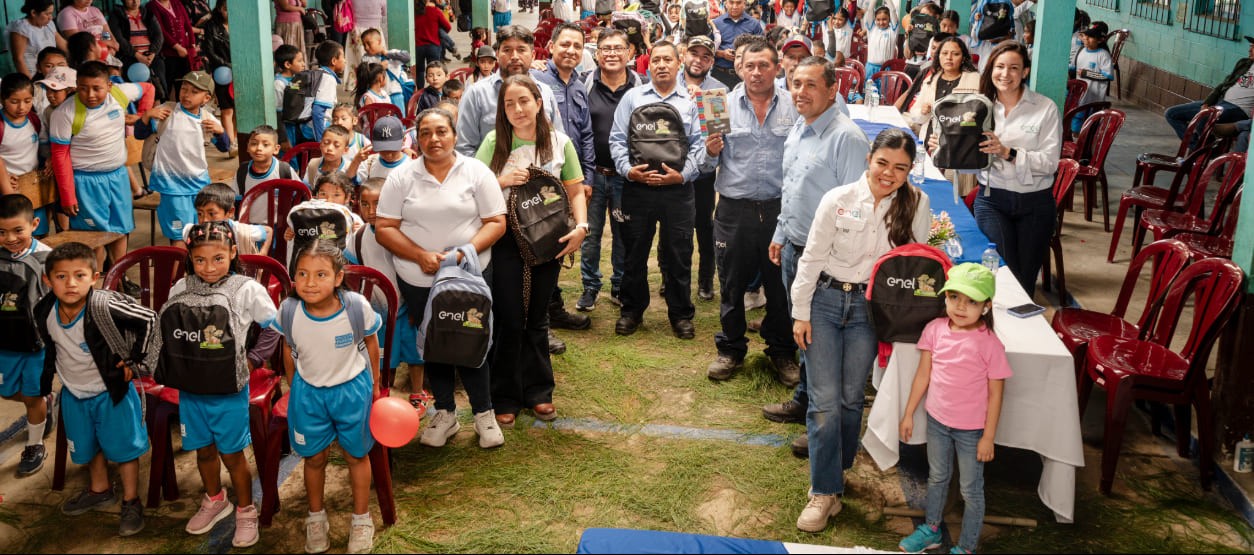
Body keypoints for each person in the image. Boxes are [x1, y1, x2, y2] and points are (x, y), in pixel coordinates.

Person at [791, 127, 930, 532]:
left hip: (872, 311)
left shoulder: (917, 203)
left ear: (910, 170)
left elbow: (914, 264)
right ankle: (824, 491)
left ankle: (838, 468)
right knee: (824, 402)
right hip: (826, 303)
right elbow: (812, 257)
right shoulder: (838, 199)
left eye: (900, 168)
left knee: (852, 399)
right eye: (883, 162)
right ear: (869, 156)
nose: (889, 173)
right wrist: (801, 311)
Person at [374, 107, 508, 437]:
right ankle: (445, 412)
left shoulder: (476, 172)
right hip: (419, 278)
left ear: (455, 135)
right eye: (425, 133)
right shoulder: (402, 176)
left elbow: (496, 222)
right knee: (432, 343)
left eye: (441, 132)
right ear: (416, 140)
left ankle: (483, 412)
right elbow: (384, 227)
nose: (434, 139)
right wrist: (419, 255)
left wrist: (467, 251)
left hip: (470, 275)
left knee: (472, 338)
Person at [143, 221, 276, 548]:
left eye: (218, 258)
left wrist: (254, 360)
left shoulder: (246, 289)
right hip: (190, 390)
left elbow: (274, 326)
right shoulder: (180, 288)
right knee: (203, 451)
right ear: (189, 257)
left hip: (228, 391)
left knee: (232, 455)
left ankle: (246, 510)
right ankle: (216, 499)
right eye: (200, 260)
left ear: (233, 253)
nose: (209, 267)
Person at [761, 57, 868, 458]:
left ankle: (823, 424)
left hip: (825, 260)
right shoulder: (800, 129)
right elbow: (792, 188)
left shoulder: (847, 139)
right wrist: (780, 232)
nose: (800, 92)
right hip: (794, 247)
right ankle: (805, 402)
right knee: (802, 332)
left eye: (810, 85)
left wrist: (826, 257)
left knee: (822, 343)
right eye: (795, 84)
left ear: (833, 89)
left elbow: (858, 211)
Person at [475, 75, 588, 428]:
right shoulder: (494, 142)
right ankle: (505, 395)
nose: (518, 109)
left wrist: (581, 228)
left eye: (524, 101)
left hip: (549, 239)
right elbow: (472, 188)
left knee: (538, 318)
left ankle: (540, 391)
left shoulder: (559, 142)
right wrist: (502, 180)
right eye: (509, 104)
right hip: (506, 239)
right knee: (509, 318)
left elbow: (576, 190)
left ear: (539, 102)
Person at [34, 241, 154, 537]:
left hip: (111, 391)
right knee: (88, 446)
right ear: (47, 280)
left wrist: (133, 359)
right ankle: (100, 489)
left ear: (95, 277)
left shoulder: (103, 304)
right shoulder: (44, 310)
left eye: (79, 275)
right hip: (74, 392)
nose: (70, 284)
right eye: (61, 277)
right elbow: (51, 348)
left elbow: (149, 319)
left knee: (125, 450)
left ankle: (130, 500)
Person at [700, 40, 800, 384]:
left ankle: (782, 351)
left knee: (781, 285)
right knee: (731, 283)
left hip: (780, 209)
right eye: (750, 66)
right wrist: (711, 151)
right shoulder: (718, 104)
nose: (756, 72)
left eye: (764, 65)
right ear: (740, 68)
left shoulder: (795, 104)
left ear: (778, 67)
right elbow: (704, 162)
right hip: (734, 210)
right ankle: (730, 348)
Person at [271, 240, 381, 554]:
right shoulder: (290, 309)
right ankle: (315, 517)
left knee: (356, 456)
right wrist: (296, 388)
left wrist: (373, 386)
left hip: (352, 391)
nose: (309, 282)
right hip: (308, 395)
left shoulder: (355, 306)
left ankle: (361, 519)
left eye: (320, 275)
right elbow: (288, 351)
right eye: (302, 274)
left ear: (337, 277)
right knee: (314, 458)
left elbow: (371, 344)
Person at [897, 263, 1010, 555]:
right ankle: (931, 529)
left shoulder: (990, 345)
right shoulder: (935, 330)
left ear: (986, 307)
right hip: (937, 422)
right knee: (937, 477)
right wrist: (909, 412)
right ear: (945, 298)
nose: (961, 307)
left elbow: (996, 395)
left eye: (971, 301)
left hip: (972, 431)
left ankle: (967, 547)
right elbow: (923, 375)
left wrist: (988, 436)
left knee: (971, 490)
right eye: (954, 297)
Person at [935, 41, 1059, 296]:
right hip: (993, 200)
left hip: (1035, 204)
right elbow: (968, 163)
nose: (1005, 74)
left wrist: (1008, 152)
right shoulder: (977, 107)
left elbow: (1050, 163)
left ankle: (1019, 331)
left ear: (1025, 72)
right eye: (1000, 66)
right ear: (990, 69)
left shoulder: (1045, 108)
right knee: (1001, 274)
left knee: (1024, 281)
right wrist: (949, 146)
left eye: (1014, 68)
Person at [609, 40, 706, 339]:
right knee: (634, 253)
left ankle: (680, 314)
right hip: (638, 189)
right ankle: (632, 310)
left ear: (679, 64)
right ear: (648, 65)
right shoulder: (632, 98)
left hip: (678, 191)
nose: (662, 65)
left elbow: (700, 145)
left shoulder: (692, 101)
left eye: (668, 59)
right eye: (656, 60)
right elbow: (616, 140)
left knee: (679, 253)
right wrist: (628, 171)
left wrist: (683, 176)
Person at [48, 61, 152, 268]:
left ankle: (118, 278)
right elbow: (60, 156)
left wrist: (141, 116)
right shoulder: (64, 113)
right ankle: (94, 285)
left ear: (109, 86)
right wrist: (68, 195)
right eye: (83, 88)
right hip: (86, 181)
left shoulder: (120, 94)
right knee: (94, 237)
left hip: (118, 176)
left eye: (97, 88)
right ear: (76, 85)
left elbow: (149, 88)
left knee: (121, 229)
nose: (90, 94)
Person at [530, 22, 597, 327]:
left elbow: (586, 135)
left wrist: (586, 179)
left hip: (571, 179)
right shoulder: (536, 80)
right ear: (551, 46)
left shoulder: (581, 85)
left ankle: (552, 308)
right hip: (540, 179)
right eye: (565, 44)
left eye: (577, 46)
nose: (571, 51)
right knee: (539, 242)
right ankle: (541, 314)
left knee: (560, 239)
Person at [345, 177, 426, 409]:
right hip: (377, 310)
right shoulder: (358, 238)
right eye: (365, 204)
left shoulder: (406, 231)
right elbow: (354, 275)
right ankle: (382, 391)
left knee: (415, 354)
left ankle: (418, 392)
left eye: (378, 204)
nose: (371, 211)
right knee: (382, 356)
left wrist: (416, 305)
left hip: (407, 306)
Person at [579, 28, 642, 312]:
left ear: (630, 53)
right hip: (593, 175)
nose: (612, 53)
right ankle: (590, 286)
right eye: (606, 48)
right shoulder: (584, 85)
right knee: (589, 236)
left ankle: (620, 284)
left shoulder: (641, 87)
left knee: (623, 234)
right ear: (597, 54)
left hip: (626, 177)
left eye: (618, 48)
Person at [0, 195, 54, 477]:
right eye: (1, 232)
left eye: (17, 230)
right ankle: (47, 403)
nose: (10, 238)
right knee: (9, 392)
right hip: (4, 343)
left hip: (36, 346)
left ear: (34, 224)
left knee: (33, 398)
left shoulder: (46, 259)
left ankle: (35, 445)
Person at [138, 70, 224, 243]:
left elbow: (224, 147)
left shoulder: (208, 119)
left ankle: (195, 268)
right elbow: (140, 134)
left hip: (199, 184)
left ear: (206, 98)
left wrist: (221, 133)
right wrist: (146, 116)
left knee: (201, 233)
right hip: (172, 186)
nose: (186, 95)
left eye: (194, 92)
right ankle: (181, 271)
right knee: (179, 237)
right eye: (184, 89)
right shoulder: (166, 112)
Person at [679, 35, 726, 305]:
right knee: (673, 229)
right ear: (684, 55)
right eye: (694, 54)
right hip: (671, 169)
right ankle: (671, 277)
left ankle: (706, 280)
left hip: (703, 173)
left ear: (712, 61)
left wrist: (701, 102)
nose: (698, 60)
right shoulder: (668, 83)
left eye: (705, 56)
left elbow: (717, 136)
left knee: (703, 227)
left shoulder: (718, 90)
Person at [897, 36, 980, 135]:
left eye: (955, 54)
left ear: (963, 58)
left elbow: (976, 119)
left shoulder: (974, 81)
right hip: (927, 138)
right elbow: (915, 115)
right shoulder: (930, 80)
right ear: (938, 56)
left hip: (958, 140)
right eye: (944, 53)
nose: (949, 58)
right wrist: (923, 112)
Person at [182, 183, 273, 255]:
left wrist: (263, 252)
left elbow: (268, 231)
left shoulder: (239, 230)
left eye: (211, 214)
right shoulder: (192, 231)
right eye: (200, 214)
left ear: (230, 212)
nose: (205, 220)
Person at [237, 124, 298, 223]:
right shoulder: (243, 171)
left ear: (276, 149)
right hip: (250, 227)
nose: (259, 148)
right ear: (247, 147)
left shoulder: (283, 169)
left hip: (278, 226)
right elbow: (236, 197)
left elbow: (300, 193)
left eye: (265, 145)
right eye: (254, 144)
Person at [198, 0, 235, 154]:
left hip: (240, 71)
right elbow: (209, 51)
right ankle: (231, 145)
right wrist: (227, 64)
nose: (229, 13)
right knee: (227, 110)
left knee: (239, 110)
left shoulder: (241, 24)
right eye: (226, 9)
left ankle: (236, 139)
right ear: (220, 9)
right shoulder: (211, 25)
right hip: (223, 72)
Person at [109, 0, 165, 100]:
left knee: (160, 84)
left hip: (151, 56)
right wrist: (137, 55)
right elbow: (119, 39)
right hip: (129, 57)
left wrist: (152, 53)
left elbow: (159, 36)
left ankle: (160, 107)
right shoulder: (117, 15)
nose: (135, 1)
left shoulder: (148, 13)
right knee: (137, 90)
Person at [145, 0, 196, 95]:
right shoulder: (152, 6)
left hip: (185, 52)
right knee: (167, 85)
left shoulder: (177, 2)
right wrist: (177, 47)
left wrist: (192, 44)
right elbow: (161, 31)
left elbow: (188, 25)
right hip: (167, 53)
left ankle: (182, 108)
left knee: (185, 84)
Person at [1070, 23, 1112, 132]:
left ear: (1099, 40)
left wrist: (1087, 73)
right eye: (1086, 37)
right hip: (1081, 94)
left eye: (1090, 37)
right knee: (1077, 117)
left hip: (1095, 96)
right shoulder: (1081, 51)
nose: (1086, 39)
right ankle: (1076, 136)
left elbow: (1107, 76)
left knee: (1092, 122)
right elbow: (1074, 68)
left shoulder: (1103, 55)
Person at [7, 0, 67, 78]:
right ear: (33, 13)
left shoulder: (49, 25)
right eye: (47, 14)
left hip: (50, 71)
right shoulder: (21, 29)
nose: (50, 17)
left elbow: (64, 45)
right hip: (32, 74)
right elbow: (18, 59)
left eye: (51, 13)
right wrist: (30, 84)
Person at [712, 0, 764, 87]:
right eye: (731, 2)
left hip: (747, 76)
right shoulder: (716, 23)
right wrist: (722, 54)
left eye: (738, 3)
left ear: (744, 3)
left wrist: (747, 55)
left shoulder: (754, 24)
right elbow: (707, 49)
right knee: (719, 101)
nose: (735, 6)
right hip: (720, 75)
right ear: (726, 3)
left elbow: (763, 49)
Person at [360, 28, 413, 112]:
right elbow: (365, 75)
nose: (366, 47)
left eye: (369, 43)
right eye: (364, 44)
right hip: (379, 95)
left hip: (395, 93)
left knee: (399, 118)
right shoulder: (366, 59)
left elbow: (407, 57)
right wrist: (380, 67)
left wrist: (387, 54)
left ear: (379, 41)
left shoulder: (392, 54)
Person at [309, 41, 346, 142]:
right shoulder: (328, 79)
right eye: (343, 57)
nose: (345, 61)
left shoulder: (317, 73)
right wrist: (322, 141)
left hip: (307, 126)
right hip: (317, 128)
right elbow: (318, 112)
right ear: (334, 61)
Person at [273, 44, 306, 148]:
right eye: (299, 61)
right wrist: (283, 139)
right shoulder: (279, 84)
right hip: (287, 129)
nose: (303, 64)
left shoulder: (297, 78)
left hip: (297, 126)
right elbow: (278, 113)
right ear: (287, 64)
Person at [414, 0, 452, 91]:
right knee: (435, 71)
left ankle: (420, 92)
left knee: (420, 71)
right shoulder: (435, 11)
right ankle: (435, 91)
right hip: (433, 46)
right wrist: (438, 30)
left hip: (418, 47)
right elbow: (448, 27)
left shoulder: (414, 12)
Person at [861, 6, 898, 79]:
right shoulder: (871, 29)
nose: (881, 22)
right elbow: (870, 9)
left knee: (884, 90)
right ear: (875, 19)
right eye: (878, 19)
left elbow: (893, 10)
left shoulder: (893, 31)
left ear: (889, 19)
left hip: (886, 69)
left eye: (884, 19)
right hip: (870, 68)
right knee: (868, 90)